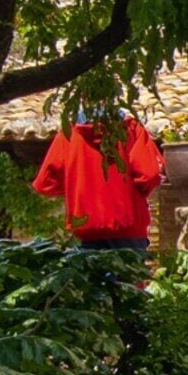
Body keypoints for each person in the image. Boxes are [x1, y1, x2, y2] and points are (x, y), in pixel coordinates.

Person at [32, 101, 165, 269]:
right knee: (128, 290)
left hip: (85, 229)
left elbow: (45, 183)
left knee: (92, 290)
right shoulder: (130, 130)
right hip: (127, 227)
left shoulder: (68, 134)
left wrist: (77, 186)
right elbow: (150, 174)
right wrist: (135, 194)